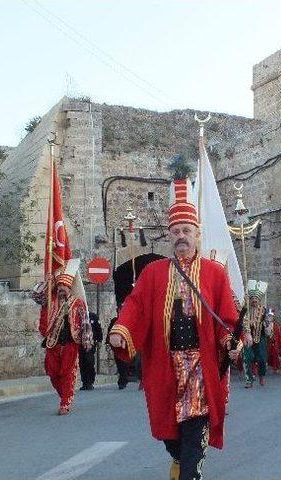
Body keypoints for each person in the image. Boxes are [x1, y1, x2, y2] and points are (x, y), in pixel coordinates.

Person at [109, 177, 240, 480]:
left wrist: (231, 342)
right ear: (170, 235)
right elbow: (135, 304)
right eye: (176, 231)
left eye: (187, 231)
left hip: (200, 364)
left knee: (195, 433)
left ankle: (189, 471)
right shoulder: (153, 273)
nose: (181, 236)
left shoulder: (214, 273)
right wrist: (121, 329)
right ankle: (180, 459)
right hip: (166, 365)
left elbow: (227, 319)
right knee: (172, 433)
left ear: (197, 234)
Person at [34, 258, 93, 415]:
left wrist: (87, 341)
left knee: (67, 373)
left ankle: (65, 402)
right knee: (52, 373)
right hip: (52, 343)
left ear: (70, 287)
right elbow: (36, 296)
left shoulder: (77, 303)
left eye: (64, 286)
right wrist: (47, 282)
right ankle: (65, 396)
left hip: (70, 344)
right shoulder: (50, 300)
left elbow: (85, 323)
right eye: (59, 285)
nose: (61, 288)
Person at [241, 280, 269, 388]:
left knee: (262, 358)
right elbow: (241, 321)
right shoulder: (245, 310)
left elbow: (267, 321)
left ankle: (261, 376)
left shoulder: (263, 310)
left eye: (256, 299)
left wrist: (266, 325)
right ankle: (249, 380)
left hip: (260, 337)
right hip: (248, 338)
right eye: (252, 299)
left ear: (259, 300)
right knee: (247, 358)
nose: (254, 301)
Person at [79, 312, 103, 390]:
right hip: (81, 343)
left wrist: (99, 340)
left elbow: (98, 329)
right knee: (82, 363)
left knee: (89, 361)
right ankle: (84, 382)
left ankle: (90, 382)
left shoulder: (93, 316)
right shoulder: (78, 316)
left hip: (91, 343)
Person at [106, 314, 130, 389]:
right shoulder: (114, 320)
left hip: (125, 345)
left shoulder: (128, 319)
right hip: (116, 346)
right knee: (119, 363)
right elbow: (110, 331)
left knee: (124, 363)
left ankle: (123, 381)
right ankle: (122, 379)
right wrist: (108, 341)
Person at [266, 308, 281, 373]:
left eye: (271, 316)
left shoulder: (275, 325)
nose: (269, 318)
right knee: (265, 355)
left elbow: (278, 335)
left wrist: (280, 345)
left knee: (275, 355)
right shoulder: (264, 324)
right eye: (268, 316)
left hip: (274, 342)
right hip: (267, 342)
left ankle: (275, 368)